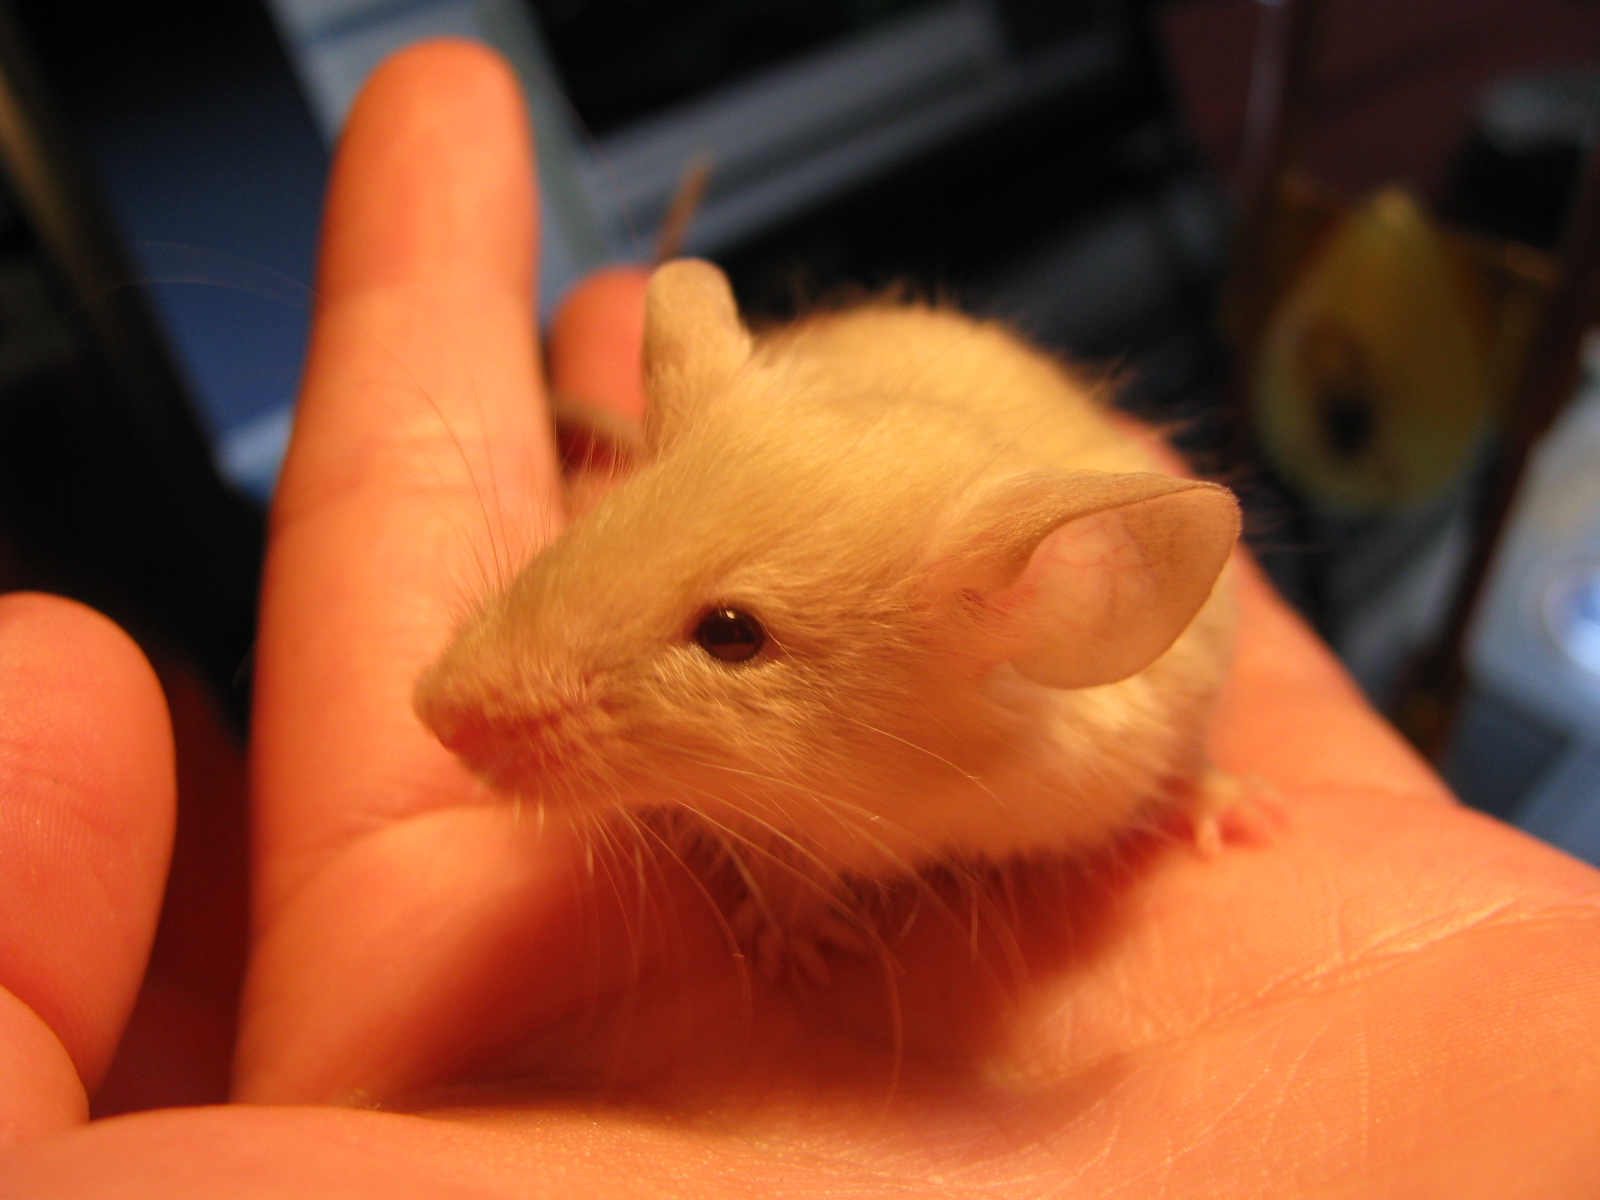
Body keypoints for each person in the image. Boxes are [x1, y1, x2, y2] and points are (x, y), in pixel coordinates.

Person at [2, 39, 1599, 1196]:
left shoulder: (1084, 693)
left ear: (1043, 622)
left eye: (733, 638)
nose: (455, 705)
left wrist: (1190, 781)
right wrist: (769, 869)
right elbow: (793, 760)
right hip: (861, 402)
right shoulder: (839, 672)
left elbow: (1187, 649)